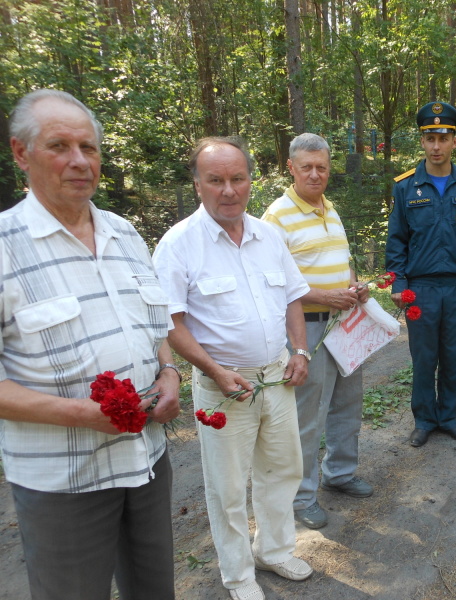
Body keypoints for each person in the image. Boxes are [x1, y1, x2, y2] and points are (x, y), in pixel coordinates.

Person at [0, 89, 180, 600]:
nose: (79, 161)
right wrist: (82, 414)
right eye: (59, 146)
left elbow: (155, 327)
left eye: (90, 147)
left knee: (154, 592)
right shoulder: (4, 246)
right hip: (64, 483)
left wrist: (169, 374)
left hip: (145, 459)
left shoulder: (125, 235)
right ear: (21, 153)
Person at [153, 137, 312, 600]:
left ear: (250, 180)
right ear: (198, 183)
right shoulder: (179, 244)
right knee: (226, 488)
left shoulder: (269, 235)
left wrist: (299, 350)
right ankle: (239, 574)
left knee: (283, 469)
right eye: (216, 180)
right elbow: (171, 323)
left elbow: (292, 298)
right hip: (224, 386)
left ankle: (275, 550)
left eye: (237, 178)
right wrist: (215, 370)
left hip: (277, 376)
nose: (229, 190)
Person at [262, 133, 373, 531]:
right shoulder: (275, 218)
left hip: (342, 324)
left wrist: (355, 285)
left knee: (347, 403)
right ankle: (301, 497)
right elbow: (273, 284)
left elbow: (344, 262)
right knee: (307, 416)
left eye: (322, 167)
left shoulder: (331, 209)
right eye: (306, 167)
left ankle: (340, 474)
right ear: (290, 167)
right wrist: (326, 295)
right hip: (305, 329)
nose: (315, 174)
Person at [385, 101, 456, 448]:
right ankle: (424, 420)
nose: (435, 146)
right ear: (422, 141)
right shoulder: (405, 187)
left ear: (455, 142)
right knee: (424, 358)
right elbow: (397, 240)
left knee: (454, 356)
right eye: (429, 138)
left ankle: (448, 417)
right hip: (421, 288)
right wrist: (398, 283)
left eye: (442, 138)